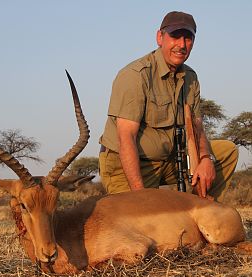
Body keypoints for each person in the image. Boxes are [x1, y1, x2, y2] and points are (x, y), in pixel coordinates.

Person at [99, 11, 238, 202]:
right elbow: (126, 138)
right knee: (144, 221)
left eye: (188, 38)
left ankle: (201, 210)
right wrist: (141, 197)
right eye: (175, 36)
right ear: (160, 37)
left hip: (169, 160)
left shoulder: (191, 77)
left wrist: (206, 158)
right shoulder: (135, 75)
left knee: (227, 151)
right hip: (127, 165)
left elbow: (197, 128)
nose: (181, 45)